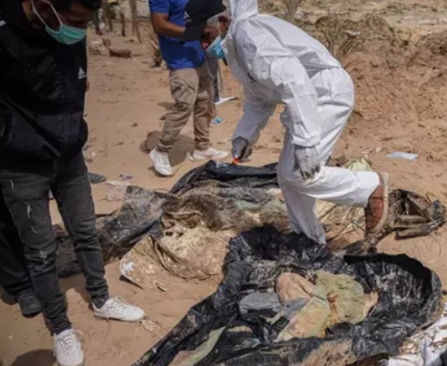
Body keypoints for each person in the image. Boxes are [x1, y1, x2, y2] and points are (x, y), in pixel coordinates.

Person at [0, 0, 145, 366]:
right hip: (22, 165)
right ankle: (60, 327)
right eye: (74, 20)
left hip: (69, 156)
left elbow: (77, 83)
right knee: (41, 251)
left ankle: (101, 299)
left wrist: (71, 133)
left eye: (87, 22)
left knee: (85, 231)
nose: (79, 30)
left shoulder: (69, 31)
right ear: (44, 5)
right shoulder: (5, 33)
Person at [205, 1, 389, 245]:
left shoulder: (249, 36)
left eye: (204, 36)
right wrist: (245, 135)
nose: (204, 46)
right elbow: (260, 98)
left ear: (223, 22)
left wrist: (306, 141)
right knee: (288, 175)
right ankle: (309, 239)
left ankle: (371, 187)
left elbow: (295, 80)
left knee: (296, 173)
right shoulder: (237, 48)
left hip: (325, 93)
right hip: (307, 101)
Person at [148, 0, 227, 177]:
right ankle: (160, 151)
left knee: (205, 102)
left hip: (197, 56)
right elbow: (159, 24)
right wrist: (194, 33)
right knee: (184, 106)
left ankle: (202, 146)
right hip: (180, 61)